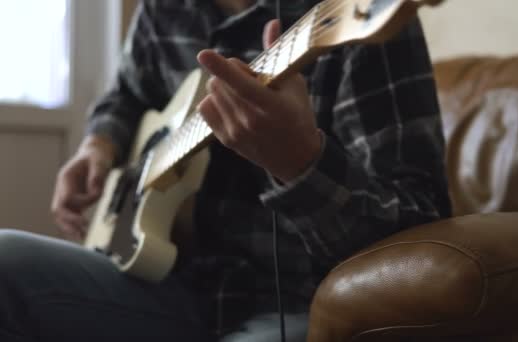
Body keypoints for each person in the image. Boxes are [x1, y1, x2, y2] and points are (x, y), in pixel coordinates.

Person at [0, 0, 451, 341]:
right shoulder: (164, 9)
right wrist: (98, 146)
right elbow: (128, 94)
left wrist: (299, 163)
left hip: (297, 302)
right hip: (166, 281)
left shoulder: (356, 17)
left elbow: (420, 235)